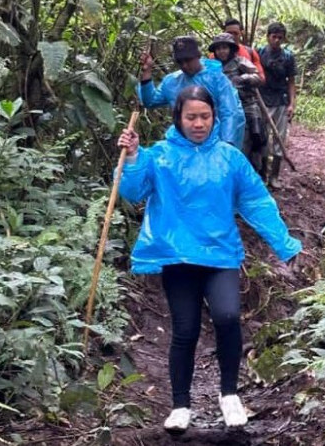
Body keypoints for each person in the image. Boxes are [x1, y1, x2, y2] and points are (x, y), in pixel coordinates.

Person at [116, 85, 302, 433]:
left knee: (228, 316)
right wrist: (132, 157)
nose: (198, 123)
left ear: (214, 117)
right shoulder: (160, 156)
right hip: (178, 255)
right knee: (184, 330)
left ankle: (229, 394)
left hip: (220, 256)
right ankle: (180, 405)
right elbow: (132, 191)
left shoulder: (230, 158)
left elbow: (257, 203)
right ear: (178, 118)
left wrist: (284, 244)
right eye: (191, 117)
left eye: (205, 116)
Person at [137, 35, 246, 147]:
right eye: (180, 62)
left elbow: (229, 112)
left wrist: (226, 145)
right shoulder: (171, 82)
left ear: (197, 56)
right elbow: (150, 101)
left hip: (214, 142)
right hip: (184, 143)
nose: (184, 65)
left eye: (188, 60)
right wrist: (147, 73)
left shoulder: (216, 79)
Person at [209, 33, 268, 177]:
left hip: (246, 104)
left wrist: (243, 78)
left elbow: (257, 77)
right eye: (218, 48)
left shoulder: (240, 61)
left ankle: (259, 168)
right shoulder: (213, 67)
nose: (222, 51)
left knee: (256, 134)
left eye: (225, 48)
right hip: (222, 109)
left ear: (231, 49)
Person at [258, 22, 297, 189]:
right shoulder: (259, 53)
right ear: (268, 36)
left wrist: (292, 104)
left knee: (279, 138)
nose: (276, 40)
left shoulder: (288, 56)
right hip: (262, 100)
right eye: (274, 37)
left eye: (280, 38)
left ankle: (274, 177)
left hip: (280, 100)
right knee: (262, 138)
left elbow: (291, 82)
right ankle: (262, 175)